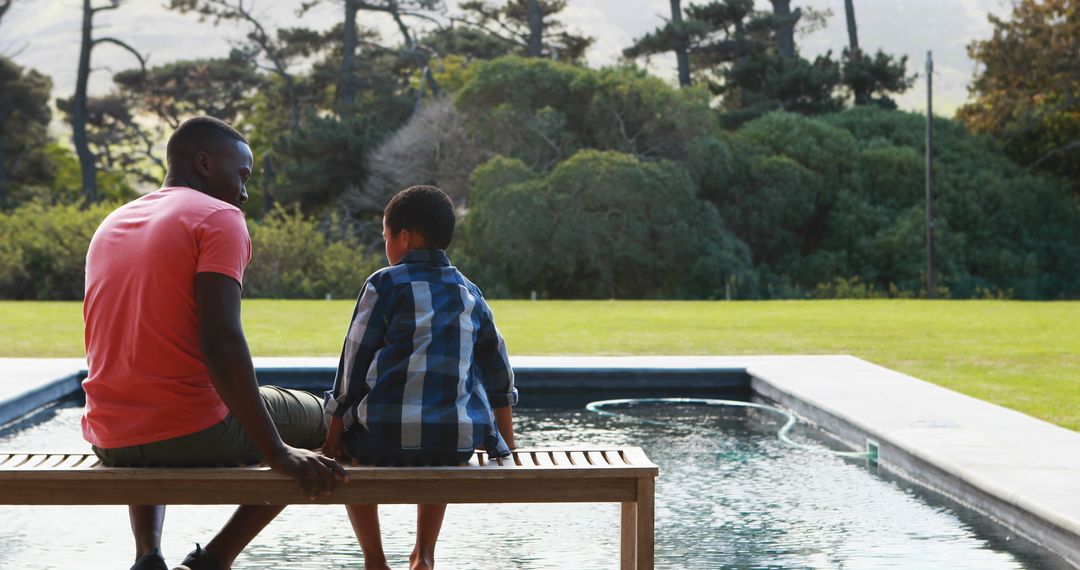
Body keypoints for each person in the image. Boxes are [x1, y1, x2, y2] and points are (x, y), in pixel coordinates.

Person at [82, 116, 347, 570]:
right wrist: (277, 453)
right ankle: (215, 560)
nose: (244, 192)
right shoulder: (219, 217)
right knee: (333, 422)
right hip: (192, 432)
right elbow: (221, 340)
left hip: (110, 438)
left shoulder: (114, 221)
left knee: (161, 399)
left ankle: (148, 555)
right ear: (204, 163)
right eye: (241, 175)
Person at [322, 185, 518, 570]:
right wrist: (507, 446)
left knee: (350, 439)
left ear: (404, 238)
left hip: (381, 442)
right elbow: (498, 372)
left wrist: (333, 438)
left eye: (385, 237)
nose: (386, 246)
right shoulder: (470, 292)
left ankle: (375, 559)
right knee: (441, 420)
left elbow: (354, 363)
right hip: (455, 446)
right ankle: (424, 554)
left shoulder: (384, 284)